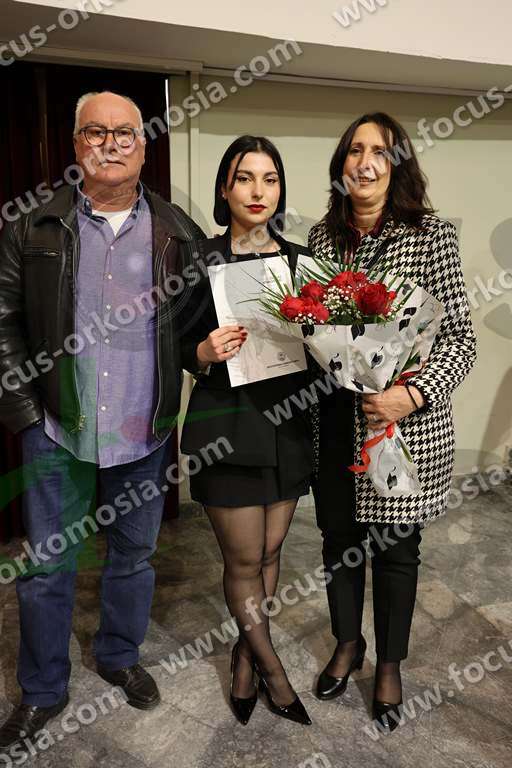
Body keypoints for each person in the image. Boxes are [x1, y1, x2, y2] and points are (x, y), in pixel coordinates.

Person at [0, 91, 204, 751]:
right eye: (96, 131)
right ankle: (42, 691)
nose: (110, 144)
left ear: (144, 146)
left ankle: (118, 655)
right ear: (75, 144)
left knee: (134, 557)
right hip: (56, 429)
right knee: (46, 566)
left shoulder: (177, 230)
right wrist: (26, 414)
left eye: (125, 133)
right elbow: (3, 321)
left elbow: (195, 327)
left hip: (144, 431)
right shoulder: (32, 225)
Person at [308, 112, 477, 730]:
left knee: (396, 551)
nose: (365, 162)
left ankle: (389, 664)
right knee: (339, 543)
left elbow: (459, 339)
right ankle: (347, 643)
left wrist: (415, 392)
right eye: (355, 150)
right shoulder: (321, 239)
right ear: (342, 164)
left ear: (397, 162)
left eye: (379, 151)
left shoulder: (430, 236)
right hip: (334, 422)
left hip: (400, 426)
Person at [179, 135, 313, 726]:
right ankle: (274, 672)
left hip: (288, 424)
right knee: (242, 561)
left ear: (280, 189)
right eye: (244, 178)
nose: (258, 191)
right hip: (226, 427)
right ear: (225, 188)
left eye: (269, 179)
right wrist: (202, 352)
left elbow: (323, 350)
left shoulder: (302, 262)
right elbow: (172, 344)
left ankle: (243, 658)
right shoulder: (197, 259)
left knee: (270, 552)